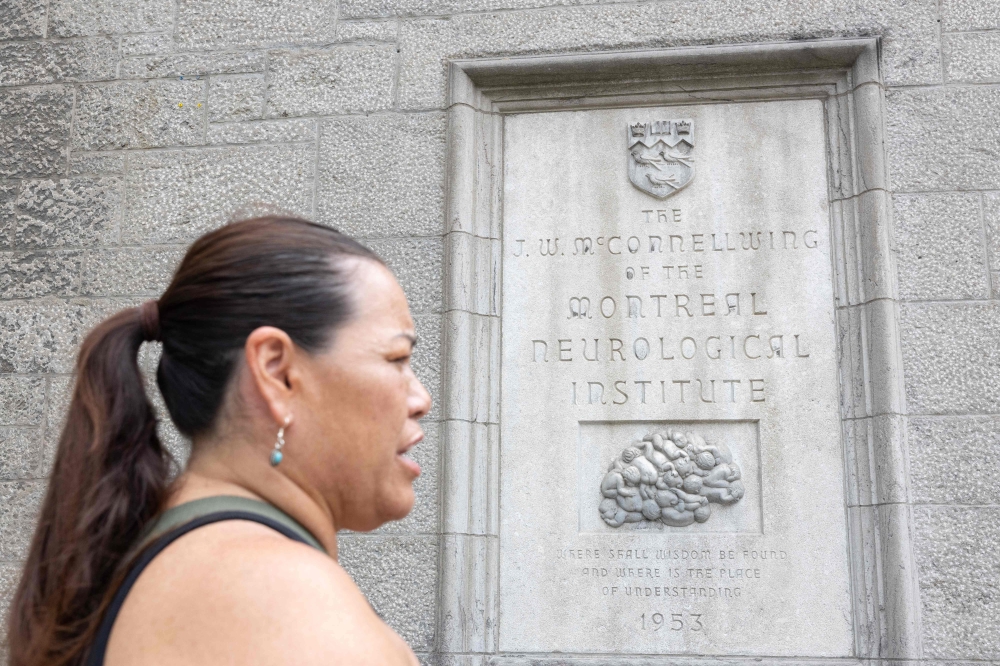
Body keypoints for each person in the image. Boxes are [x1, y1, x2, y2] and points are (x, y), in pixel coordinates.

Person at [7, 217, 432, 666]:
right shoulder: (281, 597)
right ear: (277, 372)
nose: (421, 398)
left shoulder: (160, 553)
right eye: (397, 358)